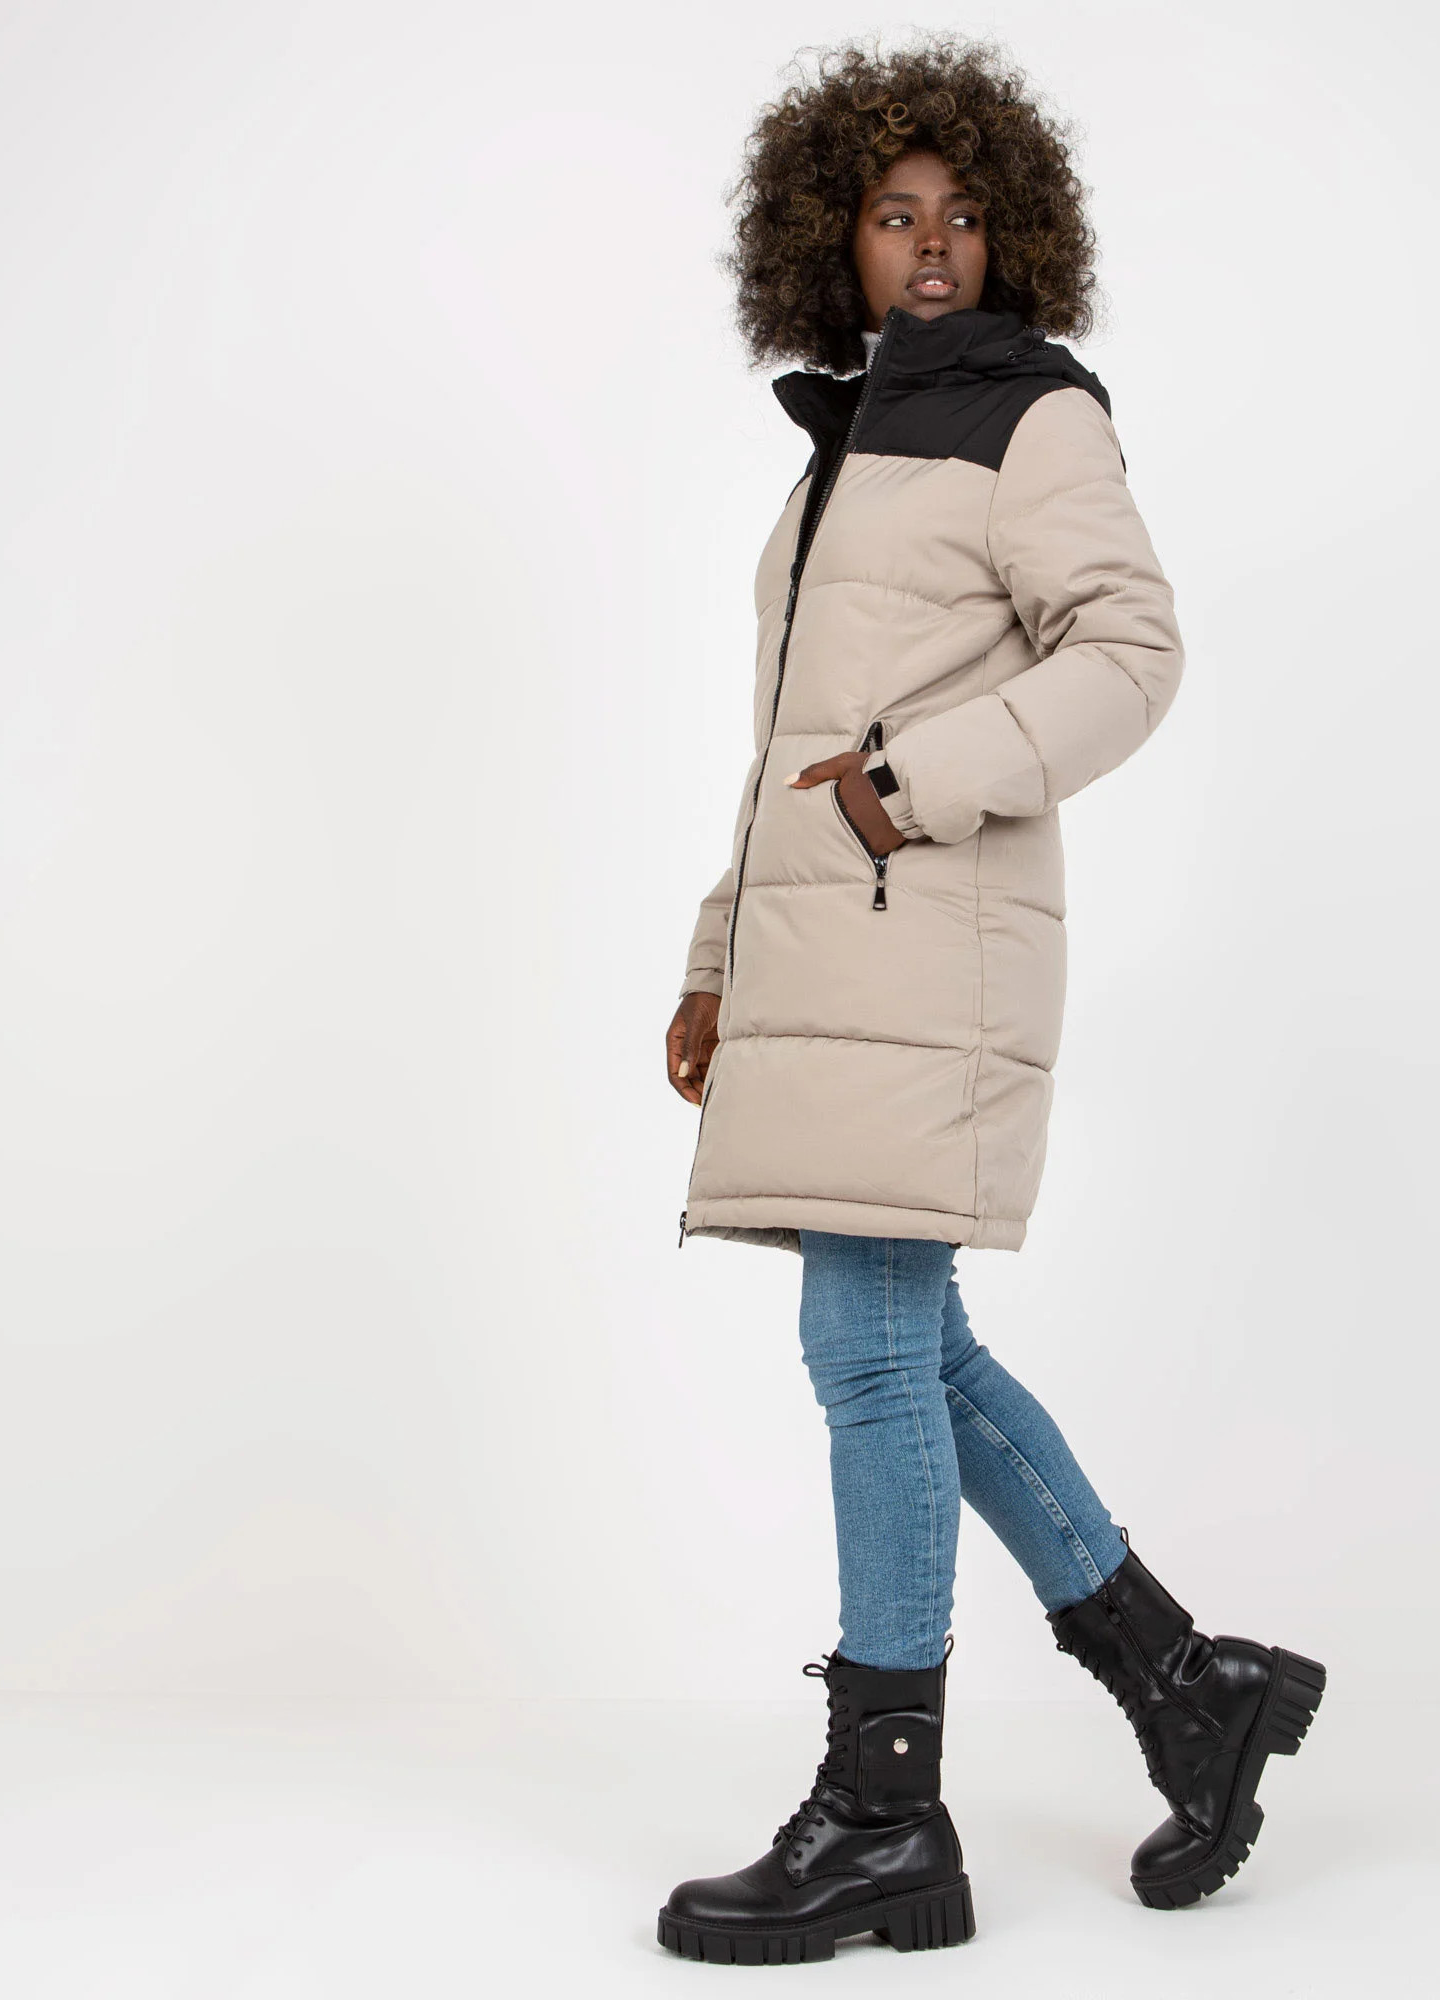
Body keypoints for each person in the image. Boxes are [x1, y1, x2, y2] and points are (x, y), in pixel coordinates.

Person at [657, 35, 1324, 1967]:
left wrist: (911, 784)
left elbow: (1131, 652)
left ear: (1012, 234)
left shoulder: (1034, 419)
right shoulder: (846, 450)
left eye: (962, 214)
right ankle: (1186, 1686)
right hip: (833, 954)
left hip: (928, 942)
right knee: (913, 1349)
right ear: (836, 243)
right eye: (894, 215)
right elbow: (787, 751)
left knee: (867, 1353)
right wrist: (718, 957)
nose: (932, 244)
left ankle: (887, 1814)